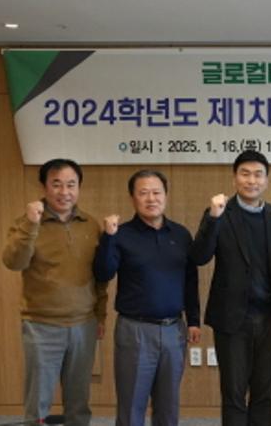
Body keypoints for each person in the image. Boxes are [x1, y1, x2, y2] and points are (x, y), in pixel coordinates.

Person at [189, 150, 271, 426]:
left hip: (268, 317)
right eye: (245, 174)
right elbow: (199, 256)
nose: (252, 180)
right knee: (234, 393)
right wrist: (213, 218)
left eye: (258, 175)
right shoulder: (219, 213)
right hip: (231, 318)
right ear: (235, 178)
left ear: (267, 180)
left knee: (264, 392)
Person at [2, 158, 108, 426]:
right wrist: (31, 224)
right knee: (38, 402)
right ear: (44, 187)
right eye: (56, 184)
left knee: (79, 402)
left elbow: (99, 277)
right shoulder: (25, 223)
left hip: (84, 324)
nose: (64, 192)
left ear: (79, 187)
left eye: (71, 185)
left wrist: (101, 316)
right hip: (41, 326)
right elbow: (14, 262)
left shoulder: (90, 224)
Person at [92, 169, 201, 426]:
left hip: (174, 330)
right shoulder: (120, 234)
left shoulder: (181, 234)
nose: (151, 198)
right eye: (143, 193)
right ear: (132, 198)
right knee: (131, 406)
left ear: (165, 195)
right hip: (135, 330)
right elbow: (103, 273)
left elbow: (190, 281)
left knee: (168, 407)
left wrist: (194, 320)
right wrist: (108, 238)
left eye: (156, 192)